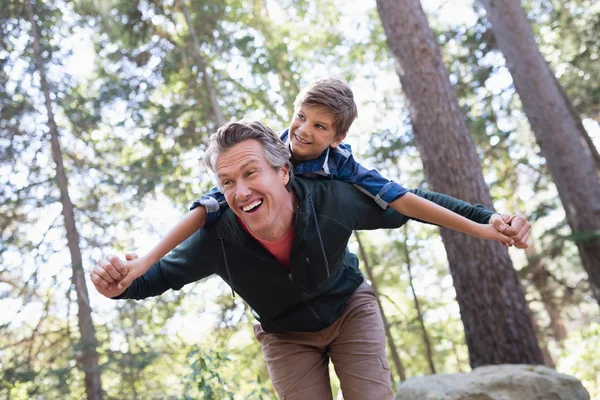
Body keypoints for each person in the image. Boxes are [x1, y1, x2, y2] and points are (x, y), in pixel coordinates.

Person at [91, 121, 530, 399]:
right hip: (285, 336)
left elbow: (412, 201)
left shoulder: (332, 199)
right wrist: (120, 284)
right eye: (227, 182)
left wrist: (488, 218)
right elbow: (159, 275)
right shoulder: (215, 236)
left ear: (282, 171)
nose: (240, 192)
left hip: (349, 310)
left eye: (250, 174)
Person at [110, 78, 530, 290]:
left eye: (319, 125)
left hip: (328, 271)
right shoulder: (264, 153)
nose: (303, 131)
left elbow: (406, 200)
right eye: (300, 117)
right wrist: (145, 262)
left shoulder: (344, 169)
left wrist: (482, 225)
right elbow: (208, 206)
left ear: (338, 137)